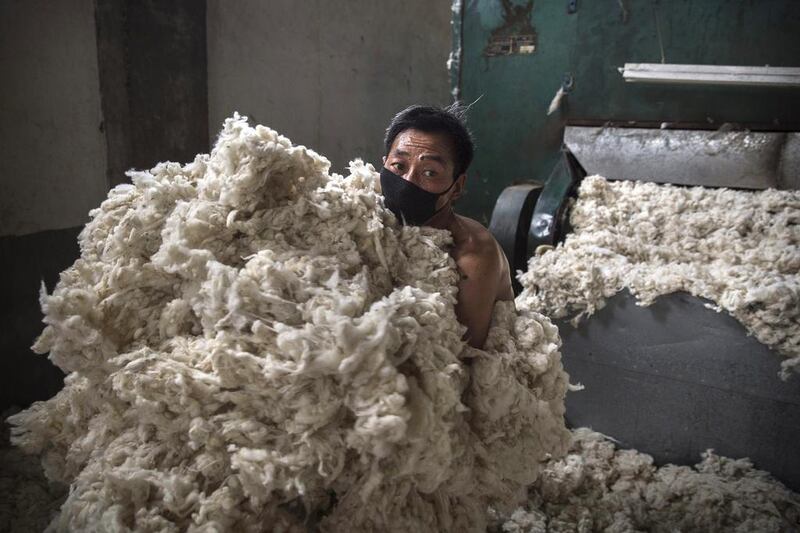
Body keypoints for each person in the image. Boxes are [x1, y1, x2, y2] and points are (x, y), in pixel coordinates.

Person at [380, 103, 514, 349]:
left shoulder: (473, 257)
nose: (408, 181)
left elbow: (461, 358)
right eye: (399, 166)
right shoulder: (369, 227)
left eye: (430, 172)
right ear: (383, 164)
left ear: (457, 187)